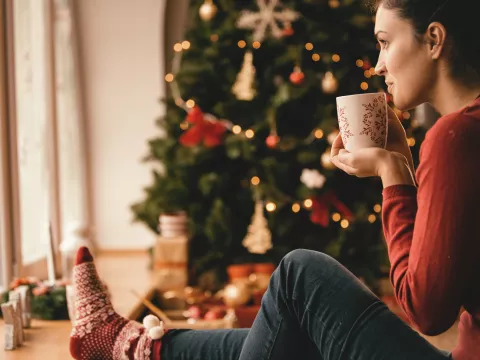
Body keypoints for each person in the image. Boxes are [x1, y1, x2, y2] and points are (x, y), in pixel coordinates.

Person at [68, 0, 480, 359]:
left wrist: (394, 175)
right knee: (292, 331)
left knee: (299, 274)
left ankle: (130, 346)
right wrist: (402, 163)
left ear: (434, 39)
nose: (377, 64)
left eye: (385, 42)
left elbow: (425, 308)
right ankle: (132, 345)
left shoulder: (456, 136)